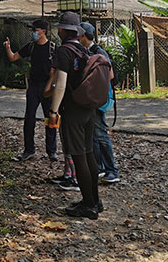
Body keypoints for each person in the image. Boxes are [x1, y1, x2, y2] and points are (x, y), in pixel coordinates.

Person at [47, 12, 102, 220]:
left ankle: (89, 205)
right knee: (88, 154)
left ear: (62, 30)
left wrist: (53, 110)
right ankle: (95, 200)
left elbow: (60, 84)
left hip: (73, 111)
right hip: (88, 109)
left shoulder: (63, 51)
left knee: (79, 157)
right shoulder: (83, 49)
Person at [3, 19, 58, 162]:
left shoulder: (53, 48)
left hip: (48, 88)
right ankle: (29, 150)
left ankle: (52, 151)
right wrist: (8, 48)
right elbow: (14, 57)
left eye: (35, 30)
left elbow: (58, 70)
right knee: (29, 119)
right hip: (33, 87)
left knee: (50, 119)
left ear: (43, 31)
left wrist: (53, 86)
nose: (33, 33)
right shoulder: (31, 47)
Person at [79, 22, 120, 184]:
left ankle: (112, 170)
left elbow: (109, 75)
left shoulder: (98, 52)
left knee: (100, 134)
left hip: (98, 99)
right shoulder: (88, 51)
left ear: (84, 36)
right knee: (93, 135)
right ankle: (100, 168)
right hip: (93, 98)